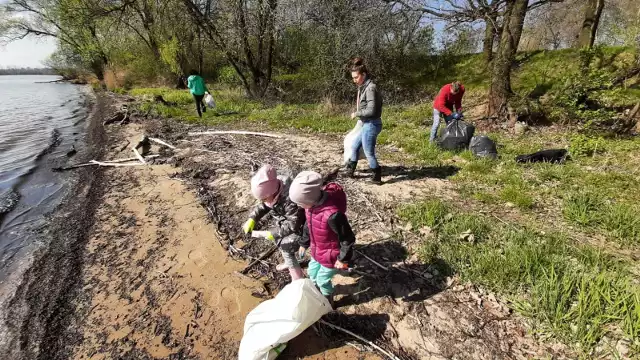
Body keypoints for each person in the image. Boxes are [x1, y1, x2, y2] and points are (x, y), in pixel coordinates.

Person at [289, 171, 355, 307]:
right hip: (317, 250)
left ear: (310, 199)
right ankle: (316, 295)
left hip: (332, 256)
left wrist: (343, 259)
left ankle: (327, 300)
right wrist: (304, 243)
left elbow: (347, 238)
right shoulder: (310, 207)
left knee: (322, 280)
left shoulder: (333, 215)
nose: (299, 206)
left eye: (300, 203)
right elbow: (309, 225)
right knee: (312, 273)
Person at [242, 165, 305, 281]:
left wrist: (273, 233)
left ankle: (298, 279)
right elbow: (264, 206)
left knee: (286, 246)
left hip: (302, 228)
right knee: (280, 242)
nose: (263, 202)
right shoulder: (272, 189)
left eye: (264, 199)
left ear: (273, 193)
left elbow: (293, 223)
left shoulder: (291, 199)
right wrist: (253, 218)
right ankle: (289, 261)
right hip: (286, 223)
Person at [344, 58, 383, 185]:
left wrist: (357, 113)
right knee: (354, 146)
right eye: (353, 78)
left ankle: (377, 175)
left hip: (372, 124)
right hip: (366, 124)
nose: (354, 80)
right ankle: (350, 170)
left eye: (356, 77)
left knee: (368, 152)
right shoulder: (364, 87)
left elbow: (371, 110)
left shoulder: (370, 88)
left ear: (364, 75)